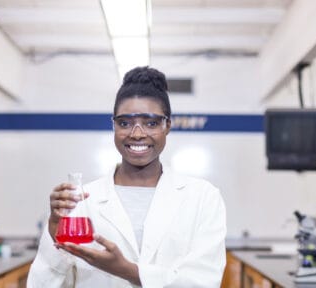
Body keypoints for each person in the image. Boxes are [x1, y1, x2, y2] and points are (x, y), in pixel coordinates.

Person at [27, 66, 226, 288]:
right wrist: (55, 234)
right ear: (113, 125)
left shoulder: (203, 197)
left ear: (167, 125)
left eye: (151, 123)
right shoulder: (81, 201)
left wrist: (128, 271)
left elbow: (204, 282)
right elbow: (41, 285)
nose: (137, 133)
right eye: (125, 123)